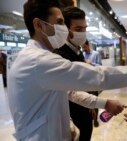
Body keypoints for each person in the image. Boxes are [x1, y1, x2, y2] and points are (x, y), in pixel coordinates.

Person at [7, 0, 127, 140]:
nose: (65, 30)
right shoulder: (38, 61)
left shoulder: (38, 59)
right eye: (60, 22)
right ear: (39, 24)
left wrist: (101, 104)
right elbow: (99, 76)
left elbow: (67, 92)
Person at [53, 7, 98, 141]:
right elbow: (68, 92)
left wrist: (93, 104)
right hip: (73, 117)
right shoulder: (60, 55)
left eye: (85, 28)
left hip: (86, 112)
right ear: (65, 30)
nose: (83, 33)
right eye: (78, 29)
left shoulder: (77, 52)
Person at [82, 39, 102, 127]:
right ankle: (89, 118)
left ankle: (95, 119)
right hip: (84, 82)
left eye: (84, 47)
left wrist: (91, 63)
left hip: (93, 82)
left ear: (88, 45)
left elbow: (100, 66)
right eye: (82, 47)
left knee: (94, 101)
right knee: (86, 100)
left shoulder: (96, 54)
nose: (83, 49)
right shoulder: (82, 55)